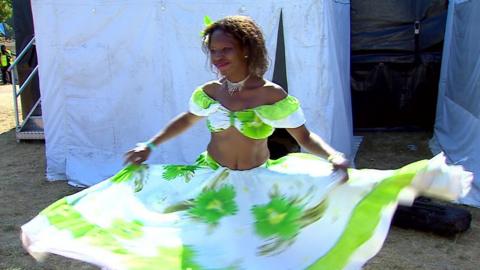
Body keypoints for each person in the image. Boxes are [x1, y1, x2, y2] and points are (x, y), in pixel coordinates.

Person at [21, 16, 471, 270]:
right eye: (213, 52)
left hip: (257, 185)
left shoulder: (274, 97)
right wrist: (150, 145)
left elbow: (302, 136)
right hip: (209, 182)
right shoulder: (209, 92)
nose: (217, 59)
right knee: (194, 249)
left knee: (260, 254)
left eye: (226, 51)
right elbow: (185, 119)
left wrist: (332, 154)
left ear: (248, 51)